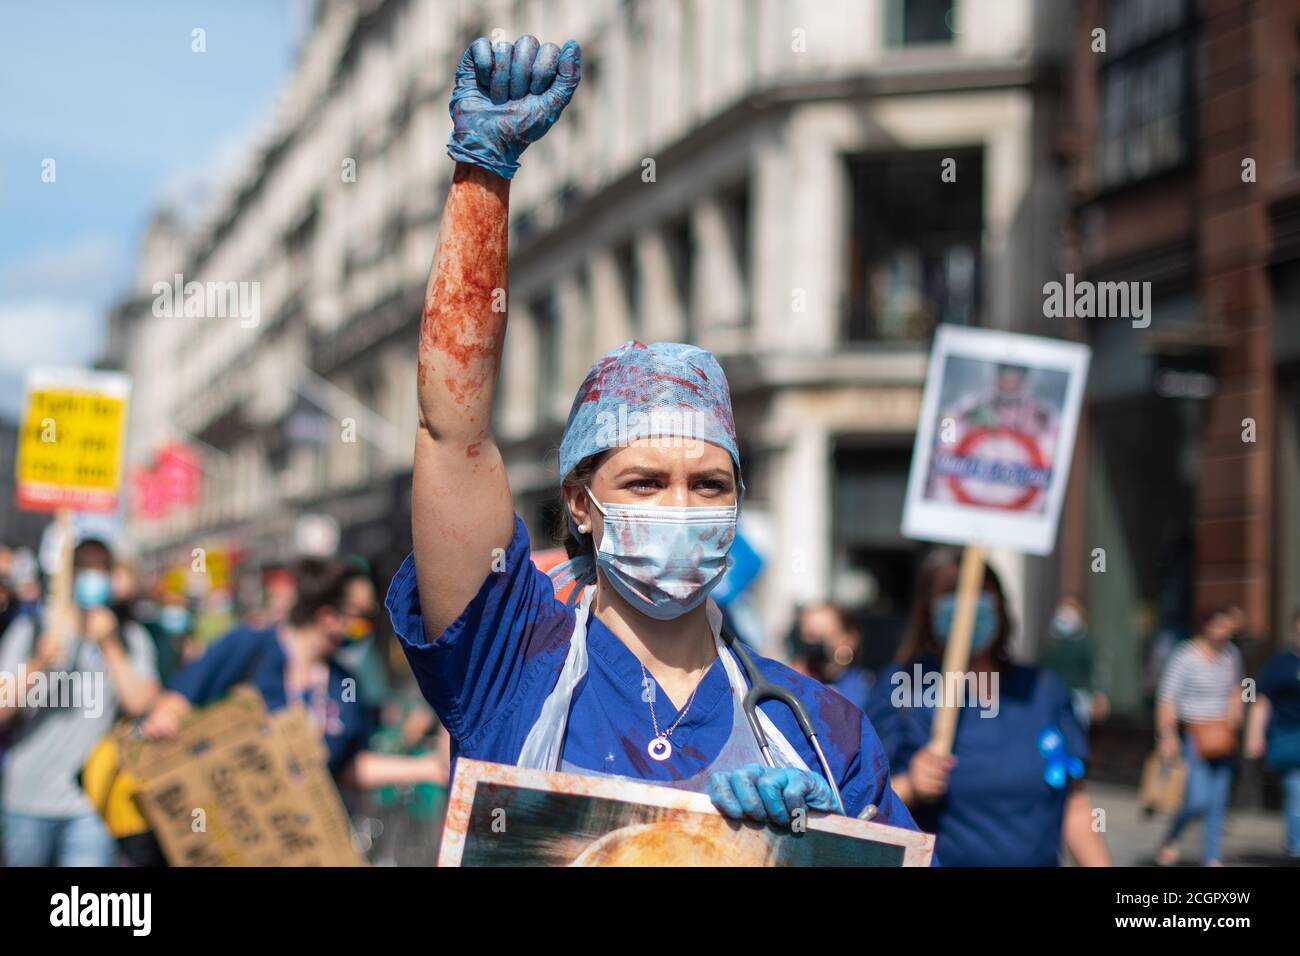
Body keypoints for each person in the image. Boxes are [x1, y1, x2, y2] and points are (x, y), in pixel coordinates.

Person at [384, 34, 923, 837]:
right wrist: (483, 177)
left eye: (709, 485)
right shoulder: (512, 660)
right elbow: (452, 432)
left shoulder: (820, 729)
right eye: (643, 482)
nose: (681, 507)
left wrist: (834, 849)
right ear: (581, 503)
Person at [866, 548, 1110, 866]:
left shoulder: (1042, 689)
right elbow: (862, 802)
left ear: (1000, 603)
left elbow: (1073, 803)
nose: (967, 605)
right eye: (952, 592)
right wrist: (911, 785)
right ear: (927, 608)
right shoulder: (902, 688)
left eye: (979, 590)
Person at [141, 558, 442, 791]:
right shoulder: (251, 644)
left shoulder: (344, 682)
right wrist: (165, 719)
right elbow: (178, 700)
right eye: (362, 615)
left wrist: (428, 768)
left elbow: (349, 766)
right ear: (327, 616)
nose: (369, 626)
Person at [0, 536, 161, 866]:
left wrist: (111, 646)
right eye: (85, 567)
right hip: (27, 800)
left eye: (100, 569)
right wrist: (37, 663)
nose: (92, 577)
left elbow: (142, 705)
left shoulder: (130, 637)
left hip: (91, 803)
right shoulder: (32, 630)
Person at [1154, 606, 1244, 867]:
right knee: (1197, 798)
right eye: (1220, 625)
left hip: (1222, 735)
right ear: (1206, 626)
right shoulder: (1185, 655)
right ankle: (1171, 836)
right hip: (1193, 733)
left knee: (1218, 800)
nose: (1224, 632)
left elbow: (1237, 687)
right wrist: (1167, 735)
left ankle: (1211, 857)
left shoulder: (1231, 655)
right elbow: (1167, 697)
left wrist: (1235, 711)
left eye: (1228, 627)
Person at [1245, 607, 1300, 863]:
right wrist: (1254, 737)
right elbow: (1262, 701)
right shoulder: (1281, 663)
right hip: (1289, 739)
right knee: (1297, 791)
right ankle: (1295, 848)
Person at [789, 602, 873, 712]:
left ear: (848, 640)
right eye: (804, 636)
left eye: (819, 635)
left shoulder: (862, 687)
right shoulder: (792, 678)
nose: (810, 645)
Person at [1042, 594, 1109, 731]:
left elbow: (1097, 671)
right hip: (1053, 696)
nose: (1066, 613)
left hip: (1079, 699)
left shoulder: (1086, 644)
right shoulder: (1052, 643)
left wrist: (1099, 695)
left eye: (1072, 607)